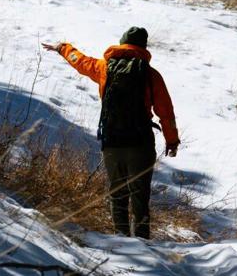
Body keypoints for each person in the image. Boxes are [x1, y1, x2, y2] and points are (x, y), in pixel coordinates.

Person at [42, 27, 180, 239]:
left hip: (112, 141)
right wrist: (172, 141)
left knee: (118, 193)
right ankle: (143, 243)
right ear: (143, 46)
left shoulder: (104, 67)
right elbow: (166, 113)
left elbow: (80, 61)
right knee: (140, 196)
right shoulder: (151, 75)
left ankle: (121, 240)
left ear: (122, 43)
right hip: (141, 144)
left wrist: (62, 47)